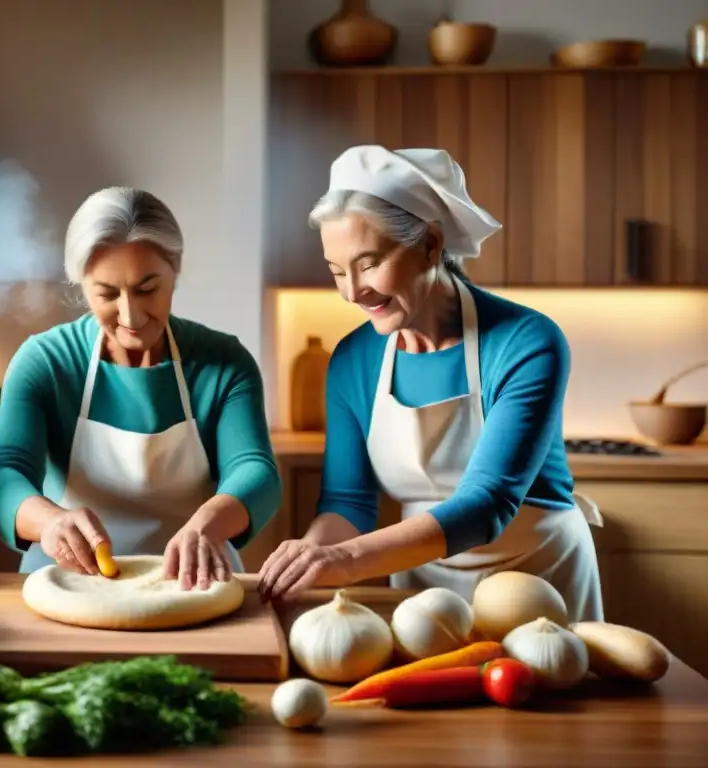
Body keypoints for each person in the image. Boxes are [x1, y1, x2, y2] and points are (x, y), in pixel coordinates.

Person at [257, 146, 604, 623]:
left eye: (369, 263)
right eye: (337, 270)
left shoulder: (525, 341)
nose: (353, 291)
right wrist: (311, 555)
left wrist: (346, 560)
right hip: (423, 593)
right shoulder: (353, 360)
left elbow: (488, 504)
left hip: (540, 586)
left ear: (432, 244)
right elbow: (349, 502)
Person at [0, 186, 281, 589]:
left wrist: (208, 524)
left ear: (175, 270)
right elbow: (4, 476)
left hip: (192, 584)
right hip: (67, 583)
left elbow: (255, 471)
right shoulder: (46, 361)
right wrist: (50, 522)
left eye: (147, 288)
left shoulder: (224, 363)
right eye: (106, 293)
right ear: (81, 284)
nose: (130, 314)